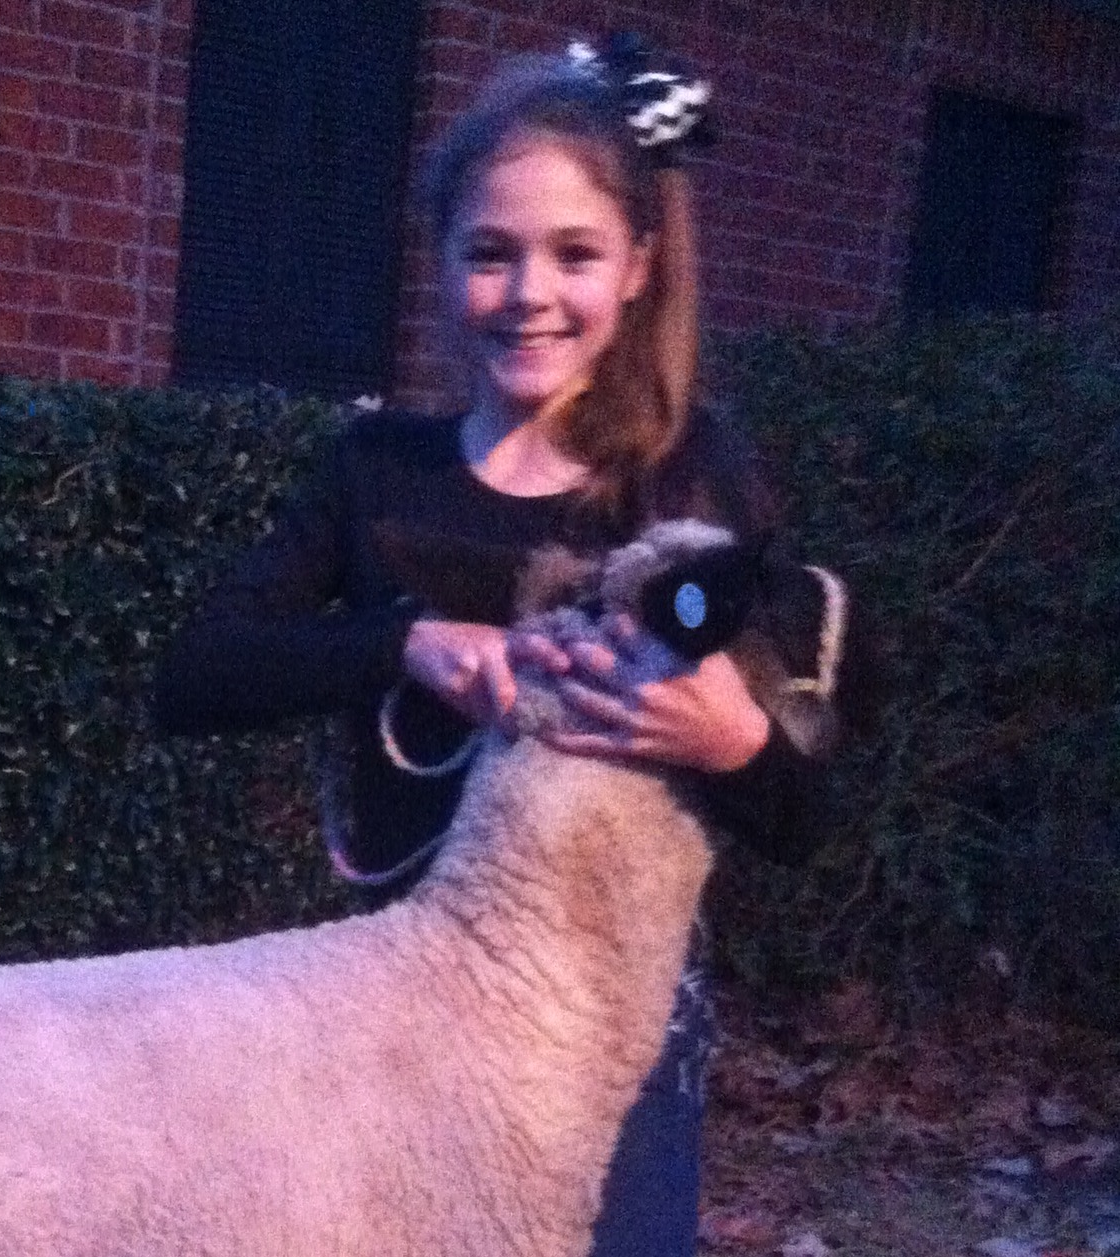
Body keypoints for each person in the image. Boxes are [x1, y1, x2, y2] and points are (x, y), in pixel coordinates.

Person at [152, 38, 846, 1257]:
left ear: (636, 267)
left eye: (572, 254)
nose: (529, 292)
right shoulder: (374, 470)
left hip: (604, 1037)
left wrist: (729, 739)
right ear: (440, 265)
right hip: (377, 1016)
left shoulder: (688, 484)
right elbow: (196, 672)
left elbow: (800, 810)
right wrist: (403, 642)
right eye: (490, 253)